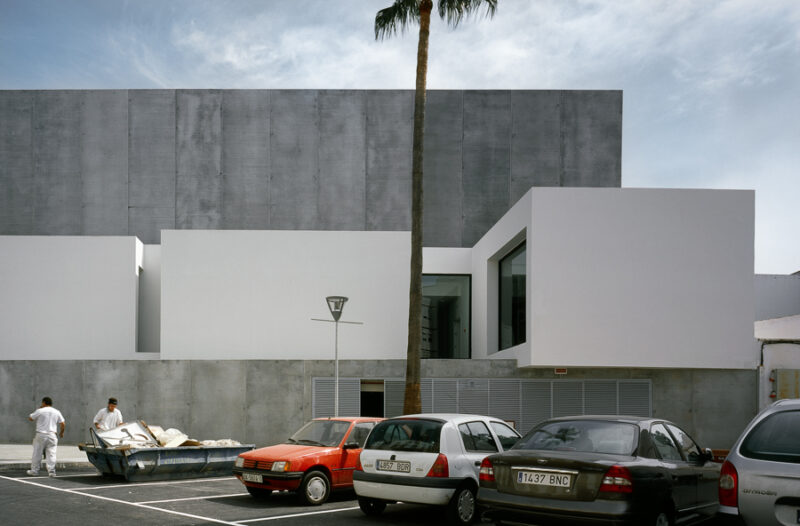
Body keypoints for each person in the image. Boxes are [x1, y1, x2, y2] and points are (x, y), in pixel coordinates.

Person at [27, 396, 65, 477]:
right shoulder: (57, 412)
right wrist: (61, 433)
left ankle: (34, 471)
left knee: (37, 453)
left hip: (41, 435)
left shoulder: (40, 410)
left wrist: (39, 409)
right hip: (52, 435)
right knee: (51, 454)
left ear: (44, 402)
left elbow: (30, 418)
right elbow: (62, 423)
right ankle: (51, 471)